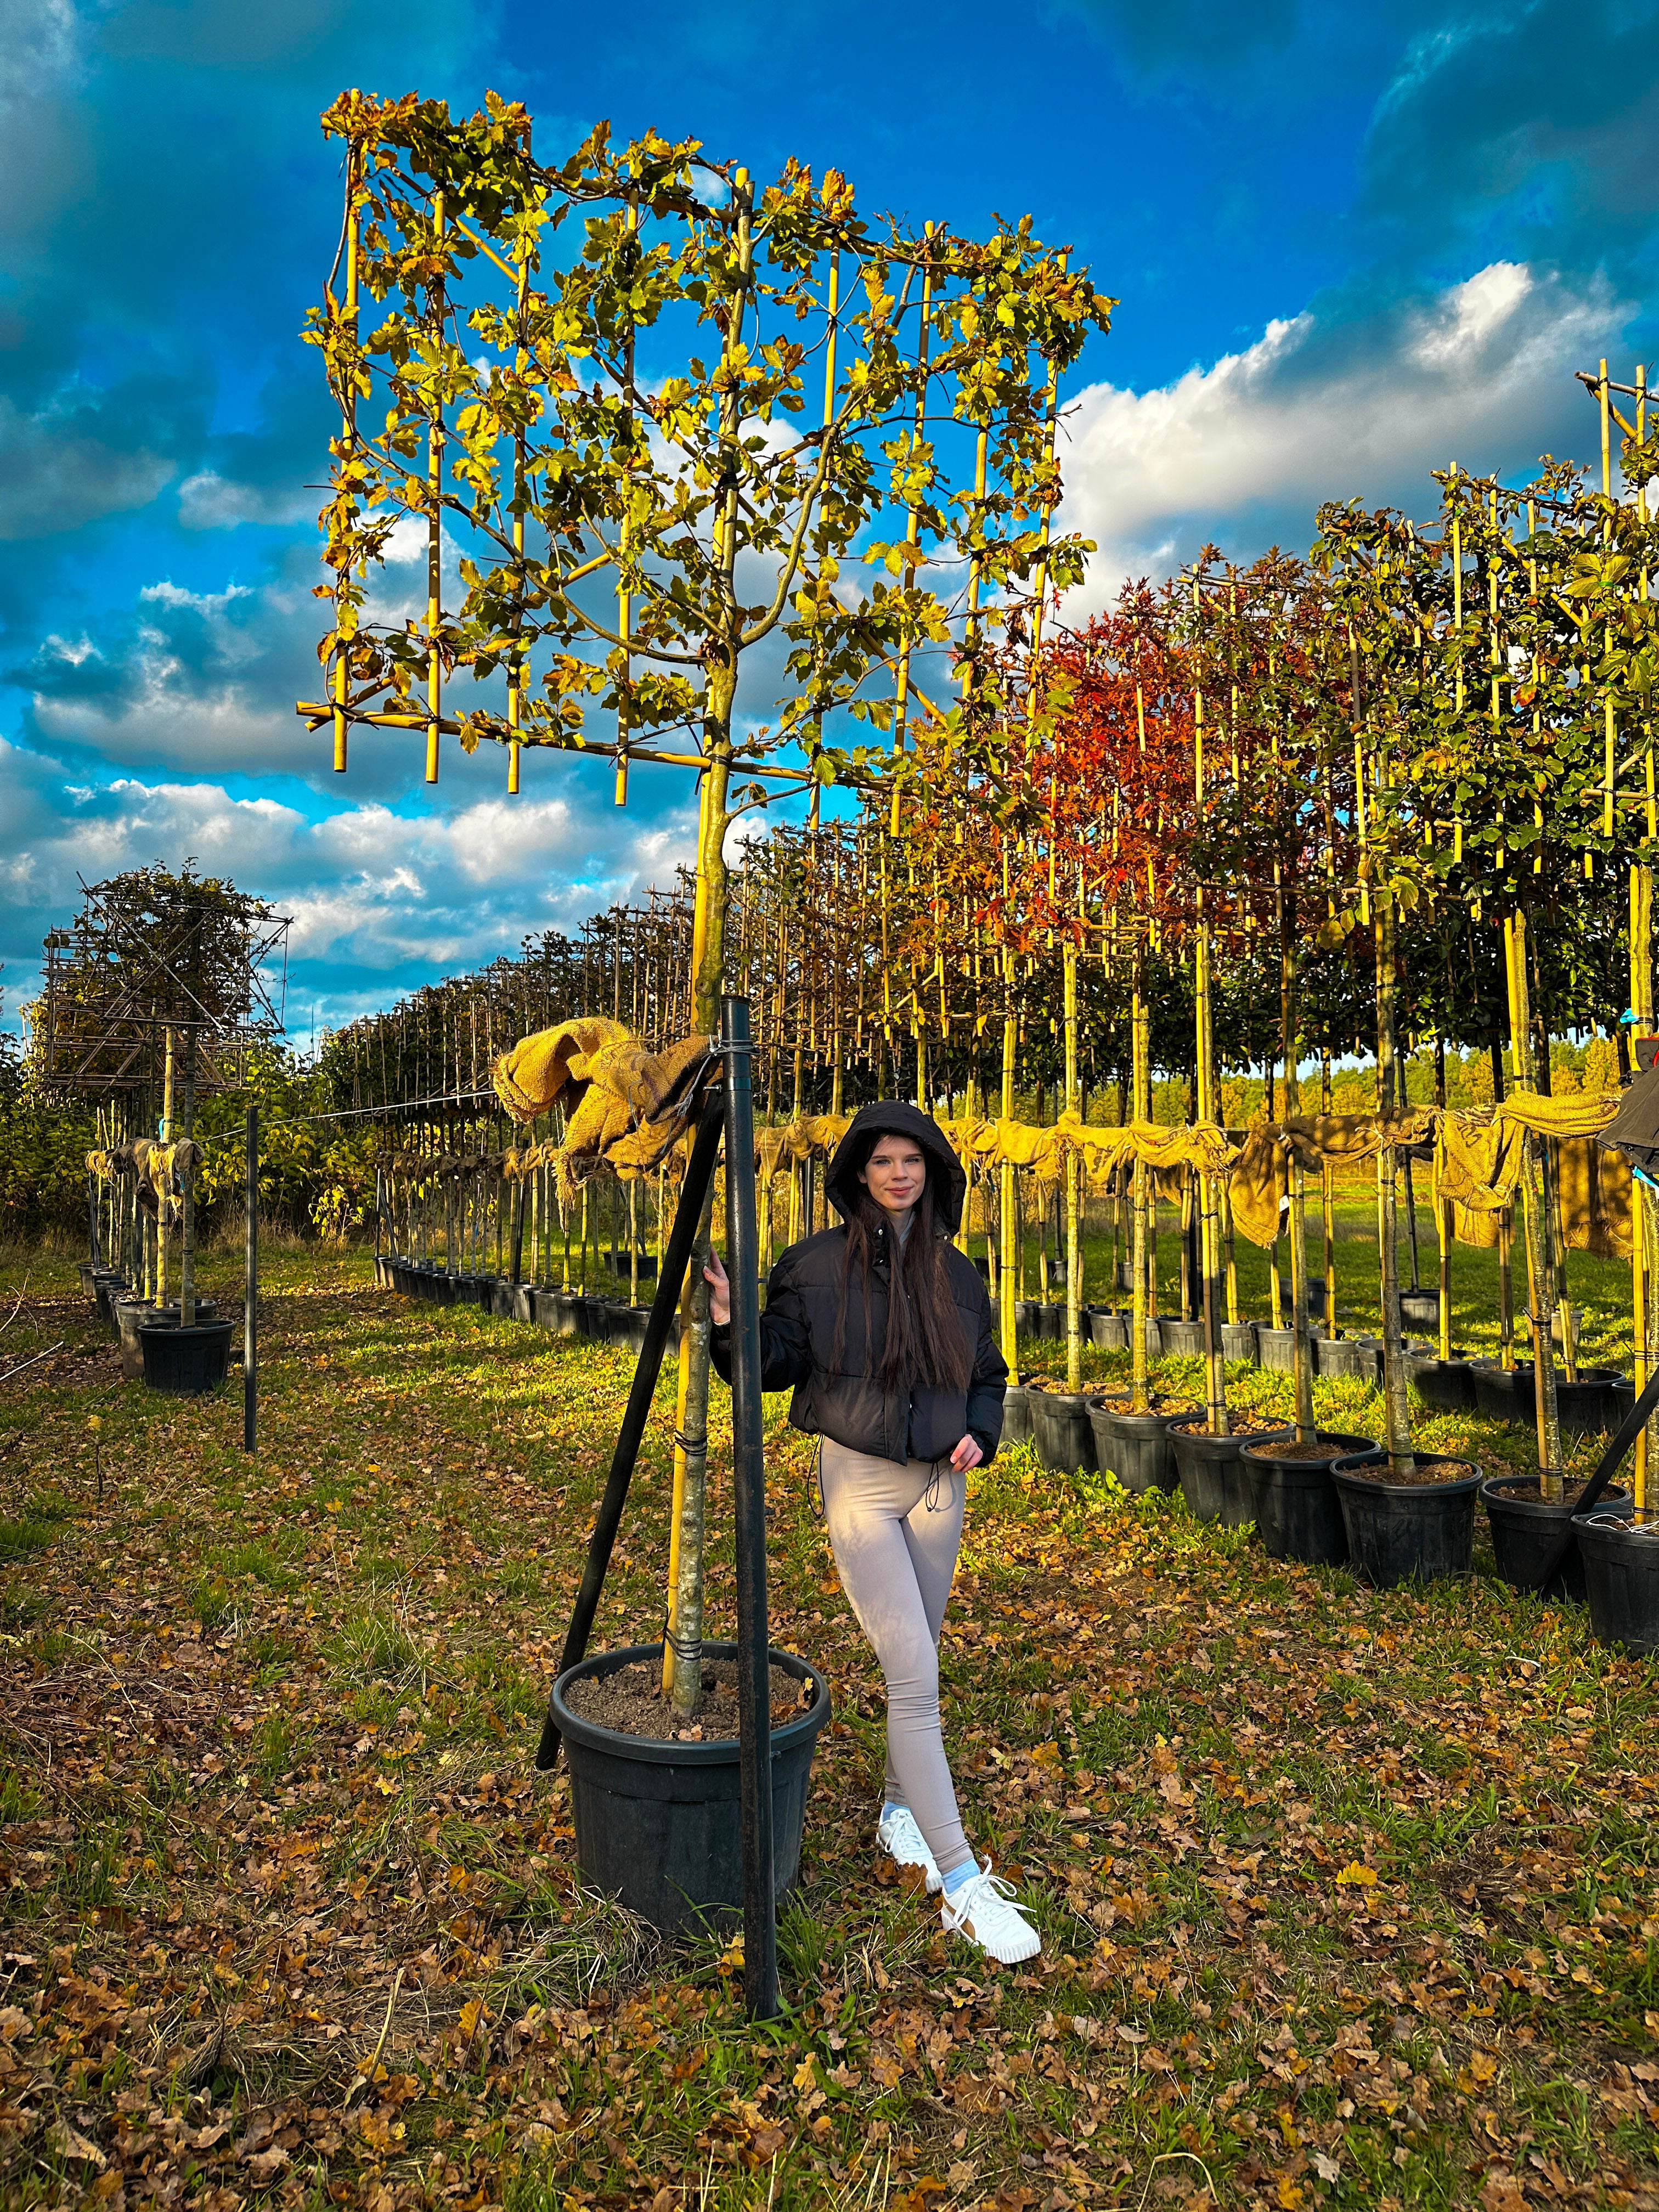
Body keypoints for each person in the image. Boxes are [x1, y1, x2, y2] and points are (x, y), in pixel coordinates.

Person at [706, 1101, 1039, 1966]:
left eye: (914, 1161)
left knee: (920, 1656)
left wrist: (982, 1428)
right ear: (857, 1171)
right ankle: (964, 1885)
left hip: (940, 1490)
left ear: (932, 1172)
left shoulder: (958, 1275)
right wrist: (731, 1324)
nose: (899, 1173)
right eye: (883, 1160)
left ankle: (899, 1816)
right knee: (916, 1675)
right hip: (859, 1484)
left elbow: (989, 1374)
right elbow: (774, 1364)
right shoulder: (812, 1266)